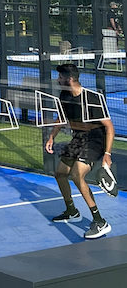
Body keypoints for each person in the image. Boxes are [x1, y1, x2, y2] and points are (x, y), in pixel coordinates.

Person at [45, 62, 114, 239]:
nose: (57, 80)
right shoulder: (64, 95)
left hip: (95, 139)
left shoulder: (92, 98)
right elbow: (61, 118)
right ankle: (72, 211)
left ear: (69, 79)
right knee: (60, 173)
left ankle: (100, 221)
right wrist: (52, 137)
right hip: (78, 138)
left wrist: (107, 154)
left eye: (60, 77)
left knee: (77, 174)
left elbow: (109, 127)